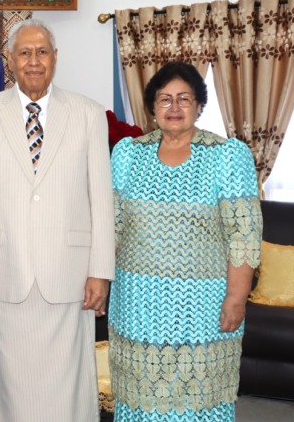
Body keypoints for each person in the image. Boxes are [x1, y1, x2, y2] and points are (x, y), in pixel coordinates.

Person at [0, 18, 115, 422]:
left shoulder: (89, 114)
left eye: (41, 52)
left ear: (55, 58)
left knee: (67, 383)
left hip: (69, 273)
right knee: (0, 382)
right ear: (10, 60)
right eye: (24, 52)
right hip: (0, 272)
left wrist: (101, 271)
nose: (33, 60)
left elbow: (100, 198)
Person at [109, 61, 262, 422]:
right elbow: (110, 226)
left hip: (203, 309)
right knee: (140, 396)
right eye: (165, 99)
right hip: (136, 307)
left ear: (199, 105)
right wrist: (97, 281)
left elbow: (243, 234)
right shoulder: (128, 154)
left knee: (199, 399)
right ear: (151, 107)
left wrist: (236, 298)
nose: (174, 108)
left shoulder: (226, 155)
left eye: (184, 99)